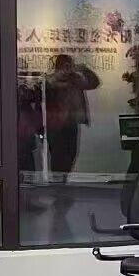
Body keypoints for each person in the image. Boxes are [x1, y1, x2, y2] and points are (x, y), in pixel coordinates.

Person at [44, 54, 101, 183]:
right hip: (56, 124)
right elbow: (46, 85)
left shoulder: (75, 79)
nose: (68, 68)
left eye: (69, 65)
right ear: (58, 66)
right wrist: (59, 75)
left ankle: (63, 180)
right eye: (65, 65)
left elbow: (94, 83)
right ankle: (57, 182)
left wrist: (84, 69)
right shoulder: (51, 78)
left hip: (72, 122)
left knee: (71, 153)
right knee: (57, 155)